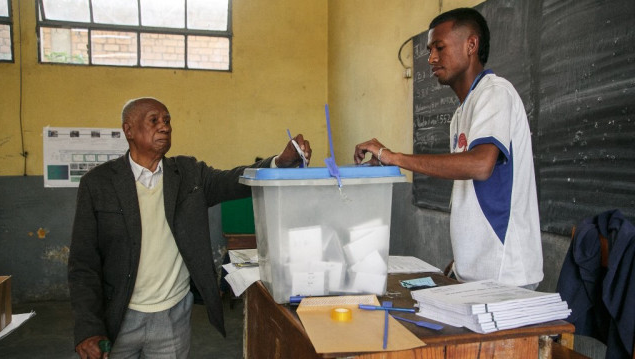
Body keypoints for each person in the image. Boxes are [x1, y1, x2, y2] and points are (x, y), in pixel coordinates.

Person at [68, 97, 311, 359]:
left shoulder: (188, 174)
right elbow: (83, 262)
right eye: (154, 120)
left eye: (167, 120)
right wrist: (88, 327)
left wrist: (279, 162)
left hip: (173, 316)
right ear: (129, 130)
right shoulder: (99, 183)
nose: (164, 127)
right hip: (118, 315)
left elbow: (234, 180)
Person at [354, 8, 543, 289]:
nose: (431, 58)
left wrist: (393, 156)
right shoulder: (460, 115)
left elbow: (480, 165)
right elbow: (470, 190)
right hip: (474, 272)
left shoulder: (494, 93)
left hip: (505, 275)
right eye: (430, 50)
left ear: (471, 45)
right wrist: (460, 261)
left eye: (439, 48)